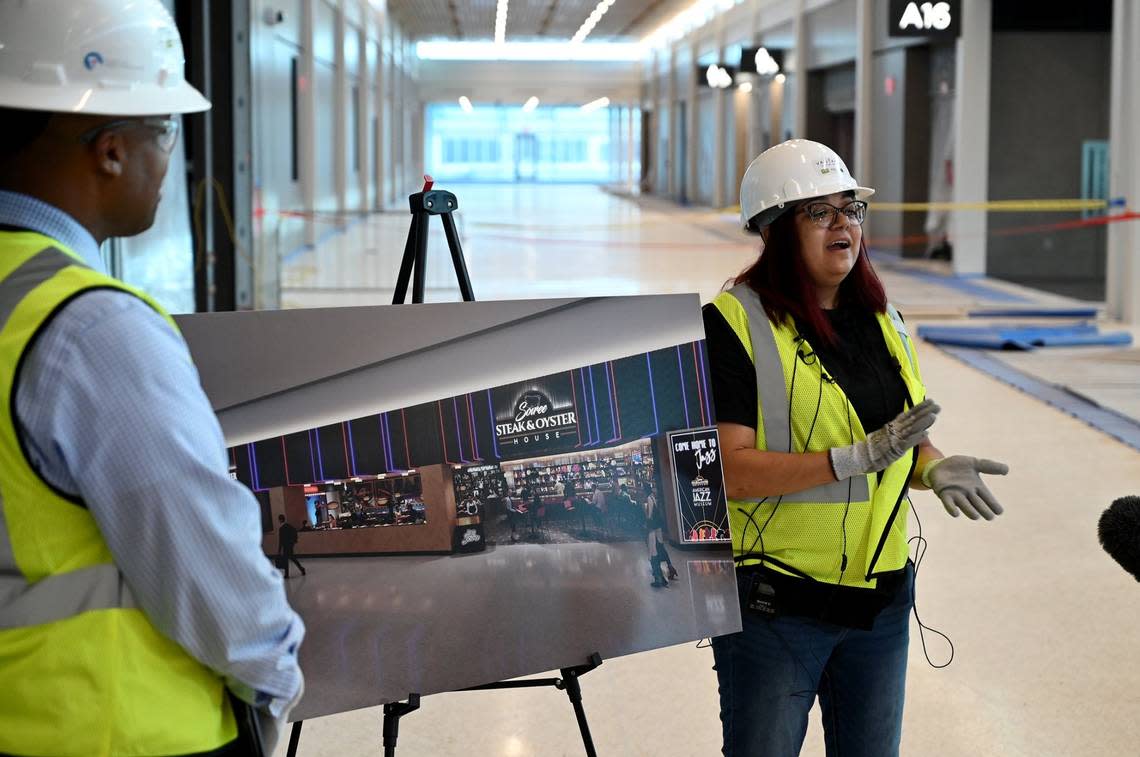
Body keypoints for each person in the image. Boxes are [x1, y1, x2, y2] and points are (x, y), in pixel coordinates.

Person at [0, 2, 303, 755]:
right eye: (163, 128)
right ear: (109, 150)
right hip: (119, 732)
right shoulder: (92, 329)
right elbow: (205, 562)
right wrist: (281, 678)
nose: (171, 157)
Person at [704, 139, 1010, 757]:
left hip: (881, 600)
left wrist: (933, 464)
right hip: (777, 607)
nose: (843, 224)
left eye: (850, 209)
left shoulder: (882, 319)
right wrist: (854, 459)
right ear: (774, 229)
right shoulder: (733, 323)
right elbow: (727, 471)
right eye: (818, 212)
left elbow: (901, 431)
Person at [643, 482, 677, 588]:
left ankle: (658, 578)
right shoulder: (653, 497)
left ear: (645, 490)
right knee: (660, 548)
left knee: (653, 552)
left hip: (652, 529)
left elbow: (649, 516)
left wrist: (645, 523)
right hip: (658, 528)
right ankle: (670, 568)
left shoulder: (648, 499)